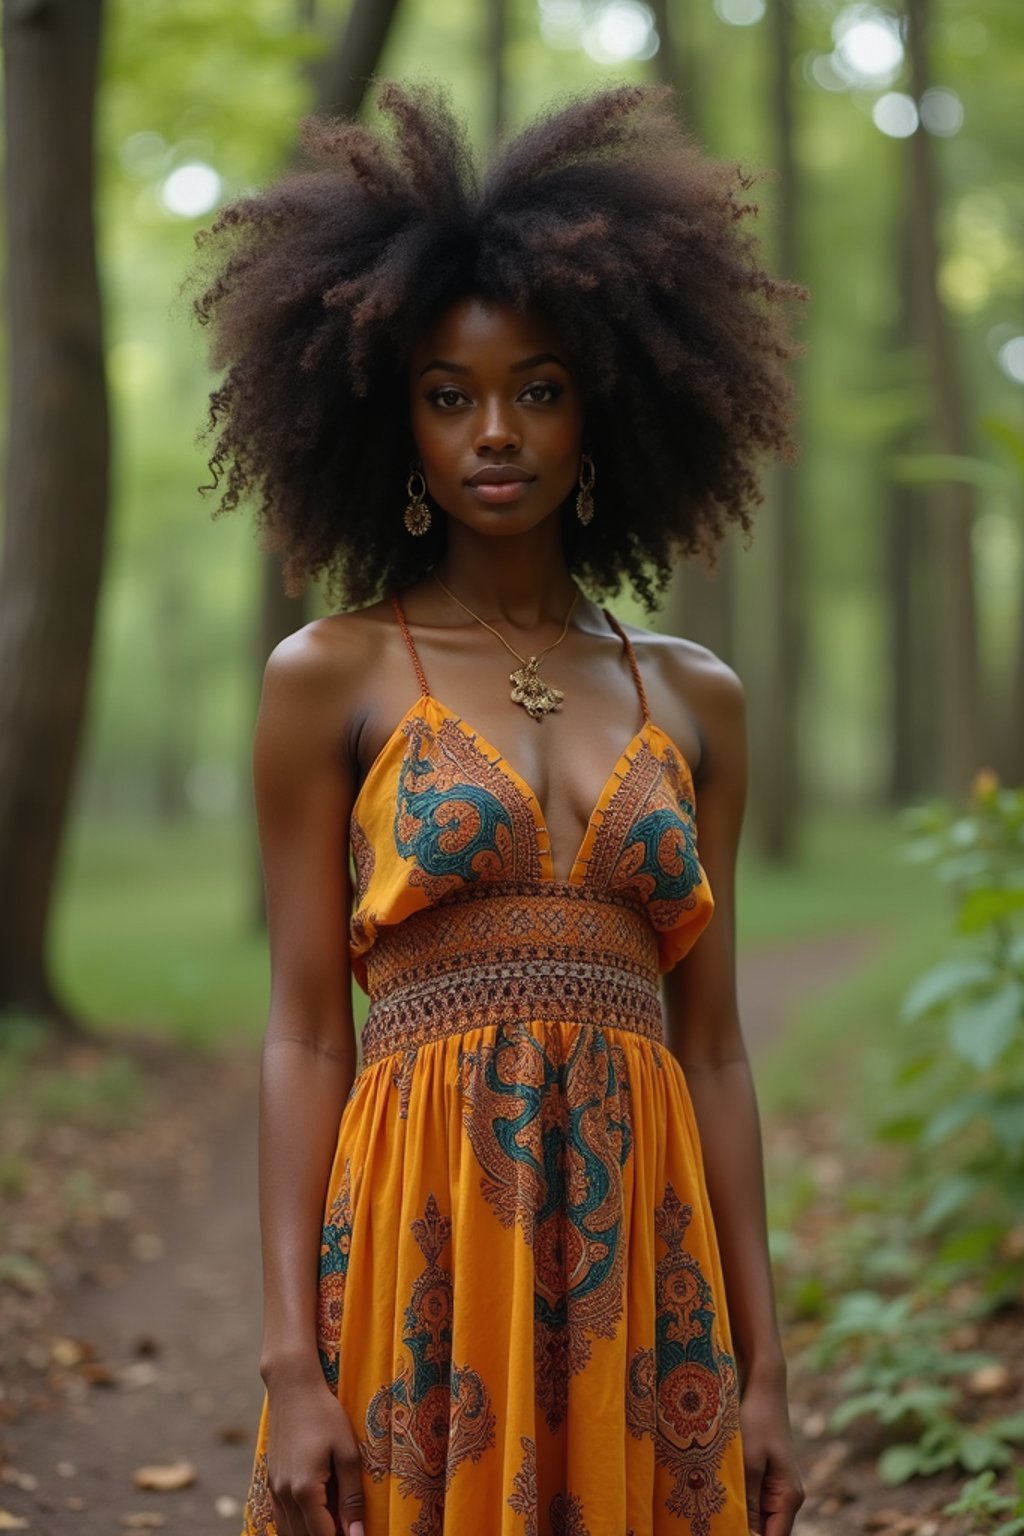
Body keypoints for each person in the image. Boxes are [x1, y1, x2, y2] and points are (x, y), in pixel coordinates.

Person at [194, 78, 806, 1536]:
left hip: (642, 1248)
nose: (496, 432)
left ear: (604, 408)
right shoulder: (328, 674)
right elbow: (300, 1028)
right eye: (448, 395)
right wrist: (291, 1359)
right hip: (420, 1232)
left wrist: (768, 1362)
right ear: (391, 423)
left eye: (538, 388)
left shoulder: (695, 695)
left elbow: (713, 1050)